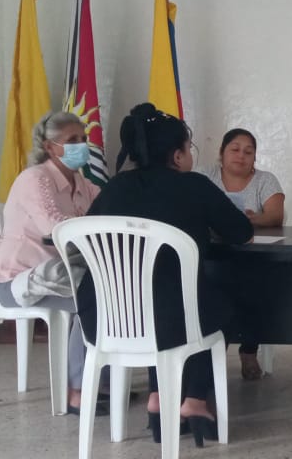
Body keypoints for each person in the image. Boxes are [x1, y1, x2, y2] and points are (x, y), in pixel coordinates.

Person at [76, 103, 254, 447]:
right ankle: (195, 401)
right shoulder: (195, 185)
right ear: (177, 155)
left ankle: (158, 397)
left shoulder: (114, 187)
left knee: (161, 299)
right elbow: (241, 232)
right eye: (189, 147)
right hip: (172, 319)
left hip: (104, 319)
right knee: (220, 307)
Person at [0, 111, 104, 415]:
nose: (81, 145)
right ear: (49, 146)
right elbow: (53, 228)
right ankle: (75, 390)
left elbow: (107, 209)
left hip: (58, 273)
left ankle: (98, 380)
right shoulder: (35, 178)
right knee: (93, 296)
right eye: (72, 140)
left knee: (109, 287)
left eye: (83, 139)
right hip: (18, 279)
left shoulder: (81, 182)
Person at [199, 128, 285, 380]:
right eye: (235, 150)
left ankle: (249, 350)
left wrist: (249, 219)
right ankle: (210, 355)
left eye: (248, 152)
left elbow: (275, 215)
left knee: (256, 289)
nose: (241, 156)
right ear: (221, 153)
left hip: (252, 256)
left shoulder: (265, 179)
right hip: (210, 255)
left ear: (255, 157)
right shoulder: (204, 176)